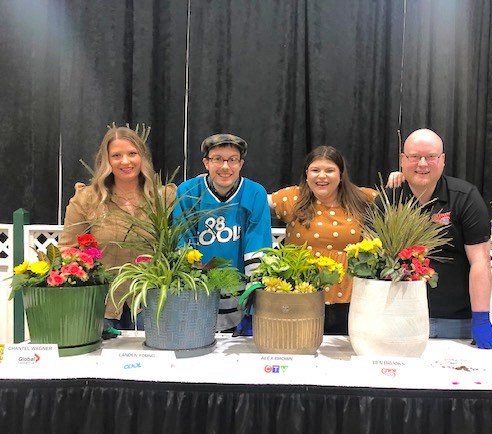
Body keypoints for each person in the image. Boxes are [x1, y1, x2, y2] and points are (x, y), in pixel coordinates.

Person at [383, 128, 492, 348]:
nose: (423, 164)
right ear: (402, 160)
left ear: (443, 160)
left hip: (455, 324)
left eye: (431, 157)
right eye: (415, 157)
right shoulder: (388, 200)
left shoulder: (466, 198)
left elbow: (480, 260)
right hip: (398, 321)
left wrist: (481, 318)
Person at [59, 126, 176, 335]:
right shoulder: (87, 199)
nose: (125, 161)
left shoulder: (164, 199)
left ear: (143, 157)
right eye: (116, 155)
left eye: (132, 153)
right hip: (101, 308)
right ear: (106, 160)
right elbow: (67, 249)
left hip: (151, 305)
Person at [268, 146, 378, 334]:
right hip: (300, 293)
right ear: (307, 173)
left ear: (341, 174)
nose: (322, 176)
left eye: (329, 170)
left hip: (349, 297)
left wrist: (398, 179)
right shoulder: (293, 198)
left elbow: (398, 200)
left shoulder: (362, 199)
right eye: (315, 170)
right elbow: (253, 199)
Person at [174, 134, 272, 332]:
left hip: (240, 290)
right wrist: (192, 281)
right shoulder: (189, 191)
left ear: (241, 164)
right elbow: (183, 239)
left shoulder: (254, 192)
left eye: (232, 160)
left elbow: (257, 241)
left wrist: (254, 291)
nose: (225, 166)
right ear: (206, 162)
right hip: (200, 290)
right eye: (217, 159)